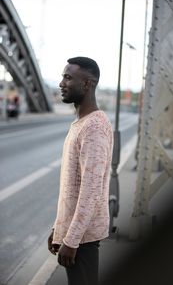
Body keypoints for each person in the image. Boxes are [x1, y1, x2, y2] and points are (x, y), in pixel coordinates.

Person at [48, 56, 113, 285]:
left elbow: (90, 191)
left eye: (68, 77)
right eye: (62, 77)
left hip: (83, 239)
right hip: (77, 234)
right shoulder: (82, 123)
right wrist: (59, 228)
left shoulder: (93, 127)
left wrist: (72, 240)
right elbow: (72, 188)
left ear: (87, 84)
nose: (61, 83)